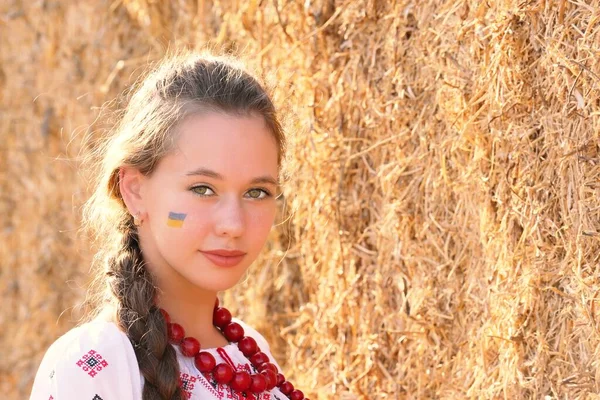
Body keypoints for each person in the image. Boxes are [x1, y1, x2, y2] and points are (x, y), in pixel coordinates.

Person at [29, 51, 307, 400]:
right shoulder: (96, 365)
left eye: (257, 191)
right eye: (203, 189)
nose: (234, 224)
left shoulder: (255, 358)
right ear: (135, 191)